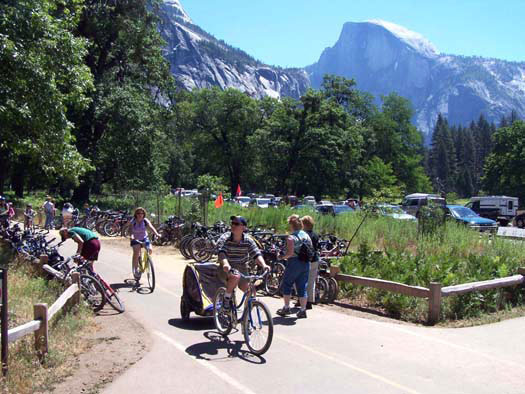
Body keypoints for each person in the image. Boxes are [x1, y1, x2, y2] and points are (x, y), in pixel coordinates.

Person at [217, 216, 269, 308]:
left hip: (242, 267)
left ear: (244, 227)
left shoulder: (248, 240)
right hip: (226, 268)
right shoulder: (225, 237)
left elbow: (256, 254)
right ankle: (227, 298)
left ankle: (246, 316)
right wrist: (225, 264)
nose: (233, 225)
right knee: (235, 276)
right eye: (232, 223)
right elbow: (221, 252)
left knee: (251, 291)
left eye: (236, 224)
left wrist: (264, 265)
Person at [276, 214, 313, 319]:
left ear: (291, 225)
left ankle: (286, 307)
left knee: (287, 284)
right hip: (305, 263)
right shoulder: (306, 235)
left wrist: (281, 257)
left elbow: (290, 253)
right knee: (302, 287)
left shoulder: (291, 237)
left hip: (294, 262)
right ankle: (302, 310)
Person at [128, 207, 160, 281]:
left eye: (142, 213)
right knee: (136, 252)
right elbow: (130, 230)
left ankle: (147, 261)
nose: (140, 215)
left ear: (144, 214)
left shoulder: (145, 221)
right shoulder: (133, 221)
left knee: (150, 249)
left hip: (144, 238)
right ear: (136, 214)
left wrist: (157, 234)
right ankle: (135, 269)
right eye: (138, 213)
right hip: (135, 239)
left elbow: (151, 227)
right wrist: (131, 236)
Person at [301, 215, 320, 310]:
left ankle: (301, 300)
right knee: (311, 282)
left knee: (302, 281)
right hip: (315, 259)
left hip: (305, 260)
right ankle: (309, 301)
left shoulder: (303, 235)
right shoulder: (315, 235)